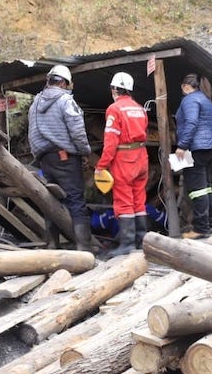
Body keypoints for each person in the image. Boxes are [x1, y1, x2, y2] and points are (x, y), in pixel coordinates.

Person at [27, 65, 94, 251]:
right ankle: (84, 247)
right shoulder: (66, 101)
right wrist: (84, 151)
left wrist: (39, 155)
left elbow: (32, 132)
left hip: (44, 158)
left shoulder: (36, 103)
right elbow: (77, 131)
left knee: (52, 199)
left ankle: (52, 244)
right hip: (64, 156)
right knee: (76, 199)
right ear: (64, 83)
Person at [95, 72, 149, 256]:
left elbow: (111, 142)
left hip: (124, 159)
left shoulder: (114, 109)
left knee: (124, 201)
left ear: (115, 89)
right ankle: (141, 241)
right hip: (141, 156)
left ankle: (127, 244)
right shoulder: (139, 108)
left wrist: (101, 166)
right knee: (139, 199)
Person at [174, 73, 212, 239]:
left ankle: (200, 228)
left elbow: (191, 123)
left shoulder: (190, 100)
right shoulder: (206, 99)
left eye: (182, 86)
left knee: (197, 189)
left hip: (194, 149)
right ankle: (209, 224)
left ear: (186, 86)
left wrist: (182, 145)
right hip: (209, 148)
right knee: (205, 187)